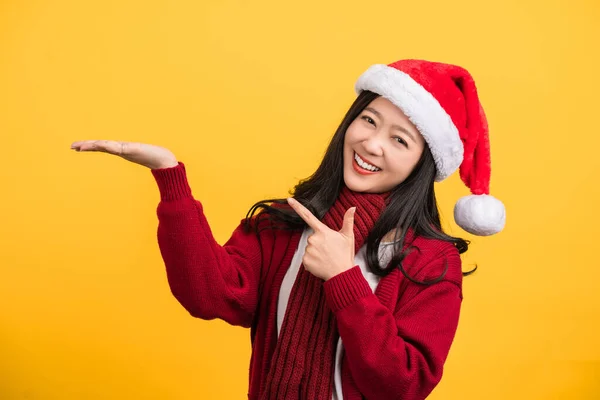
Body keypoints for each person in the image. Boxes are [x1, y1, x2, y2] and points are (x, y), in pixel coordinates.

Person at [71, 59, 506, 400]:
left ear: (421, 165)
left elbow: (403, 386)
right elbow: (209, 295)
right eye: (369, 121)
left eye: (400, 140)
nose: (372, 144)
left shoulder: (429, 260)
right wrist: (169, 176)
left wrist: (343, 279)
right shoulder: (286, 221)